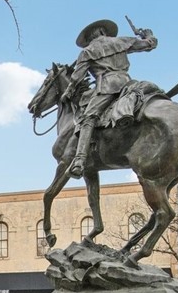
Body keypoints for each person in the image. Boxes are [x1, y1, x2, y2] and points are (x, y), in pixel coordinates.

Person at [63, 19, 158, 178]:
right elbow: (149, 45)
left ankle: (79, 161)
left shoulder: (88, 51)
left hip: (107, 87)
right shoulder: (121, 41)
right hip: (127, 83)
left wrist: (68, 92)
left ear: (90, 37)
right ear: (103, 32)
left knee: (88, 118)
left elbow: (77, 78)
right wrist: (149, 35)